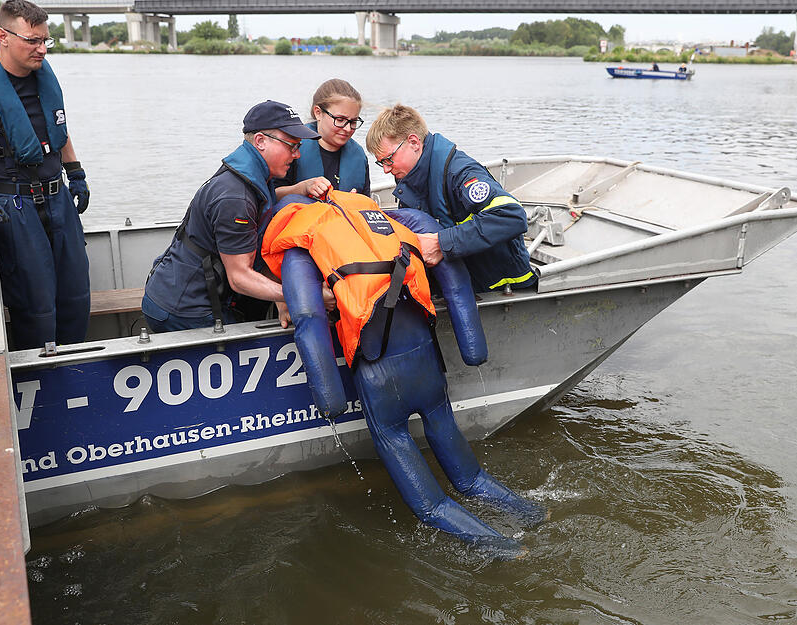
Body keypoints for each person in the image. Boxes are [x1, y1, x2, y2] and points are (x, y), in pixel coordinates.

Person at [262, 190, 544, 550]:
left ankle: (510, 552)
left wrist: (329, 398)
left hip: (379, 379)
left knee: (432, 505)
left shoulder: (299, 244)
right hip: (426, 362)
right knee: (472, 478)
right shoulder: (388, 219)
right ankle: (536, 514)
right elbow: (454, 280)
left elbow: (307, 320)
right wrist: (473, 348)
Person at [0, 0, 91, 350]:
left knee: (76, 296)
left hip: (58, 197)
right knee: (36, 307)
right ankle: (39, 383)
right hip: (11, 205)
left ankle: (76, 368)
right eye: (33, 40)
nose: (42, 49)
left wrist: (75, 172)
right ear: (3, 36)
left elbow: (57, 131)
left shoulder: (43, 77)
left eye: (46, 40)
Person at [142, 100, 333, 333]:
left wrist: (299, 188)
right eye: (292, 146)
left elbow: (264, 202)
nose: (298, 155)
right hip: (183, 309)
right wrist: (306, 296)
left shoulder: (251, 171)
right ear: (261, 141)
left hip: (185, 286)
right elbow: (240, 277)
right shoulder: (235, 198)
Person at [365, 104, 535, 293]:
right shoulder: (408, 178)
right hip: (459, 280)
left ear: (414, 142)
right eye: (381, 163)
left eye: (388, 159)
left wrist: (441, 244)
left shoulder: (460, 173)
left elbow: (512, 216)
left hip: (500, 287)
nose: (386, 169)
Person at [274, 79, 370, 200]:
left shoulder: (359, 156)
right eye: (340, 120)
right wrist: (303, 188)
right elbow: (271, 196)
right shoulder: (292, 147)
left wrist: (355, 202)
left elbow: (367, 203)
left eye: (353, 121)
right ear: (318, 113)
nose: (347, 128)